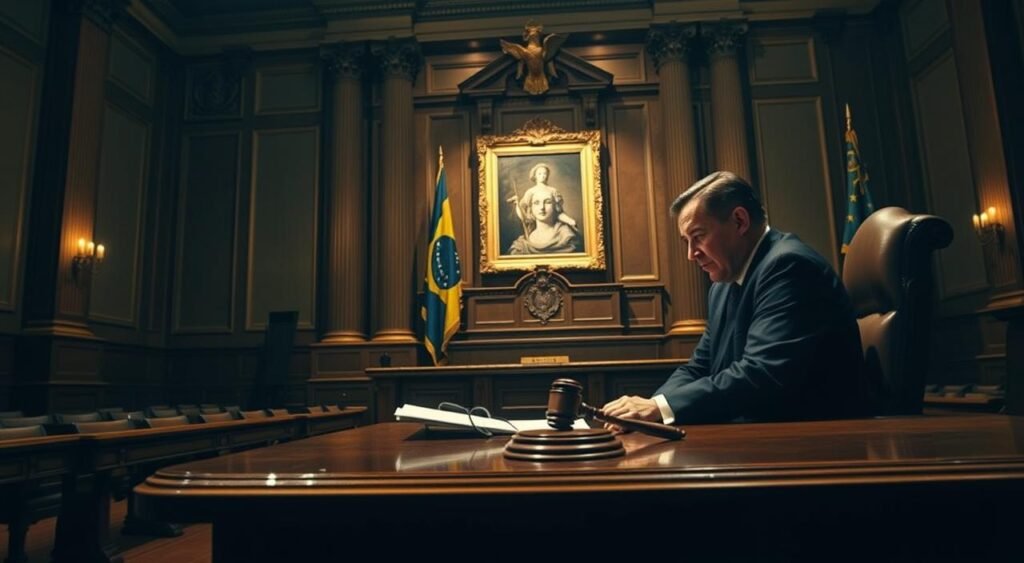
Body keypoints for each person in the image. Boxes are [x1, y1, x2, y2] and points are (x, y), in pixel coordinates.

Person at [603, 171, 865, 425]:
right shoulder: (724, 285)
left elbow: (761, 374)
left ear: (739, 221)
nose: (691, 254)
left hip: (818, 441)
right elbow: (698, 367)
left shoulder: (789, 266)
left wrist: (659, 408)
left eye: (698, 237)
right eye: (686, 242)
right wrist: (651, 409)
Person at [507, 163, 581, 254]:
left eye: (544, 173)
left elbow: (558, 212)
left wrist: (570, 220)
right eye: (536, 203)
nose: (542, 207)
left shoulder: (566, 237)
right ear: (535, 176)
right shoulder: (530, 192)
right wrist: (517, 205)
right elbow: (524, 216)